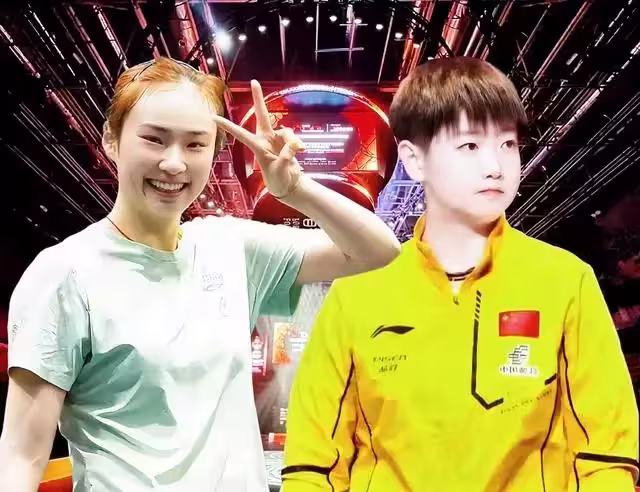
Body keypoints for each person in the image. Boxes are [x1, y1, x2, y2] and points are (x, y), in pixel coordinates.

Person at [0, 57, 401, 492]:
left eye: (195, 145)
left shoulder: (231, 246)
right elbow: (23, 453)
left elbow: (378, 251)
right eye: (154, 139)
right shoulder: (64, 274)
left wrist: (295, 189)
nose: (174, 163)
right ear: (111, 140)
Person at [281, 57, 639, 491]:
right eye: (470, 146)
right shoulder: (356, 294)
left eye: (507, 144)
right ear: (414, 159)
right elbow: (313, 463)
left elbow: (606, 454)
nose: (496, 166)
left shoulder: (566, 282)